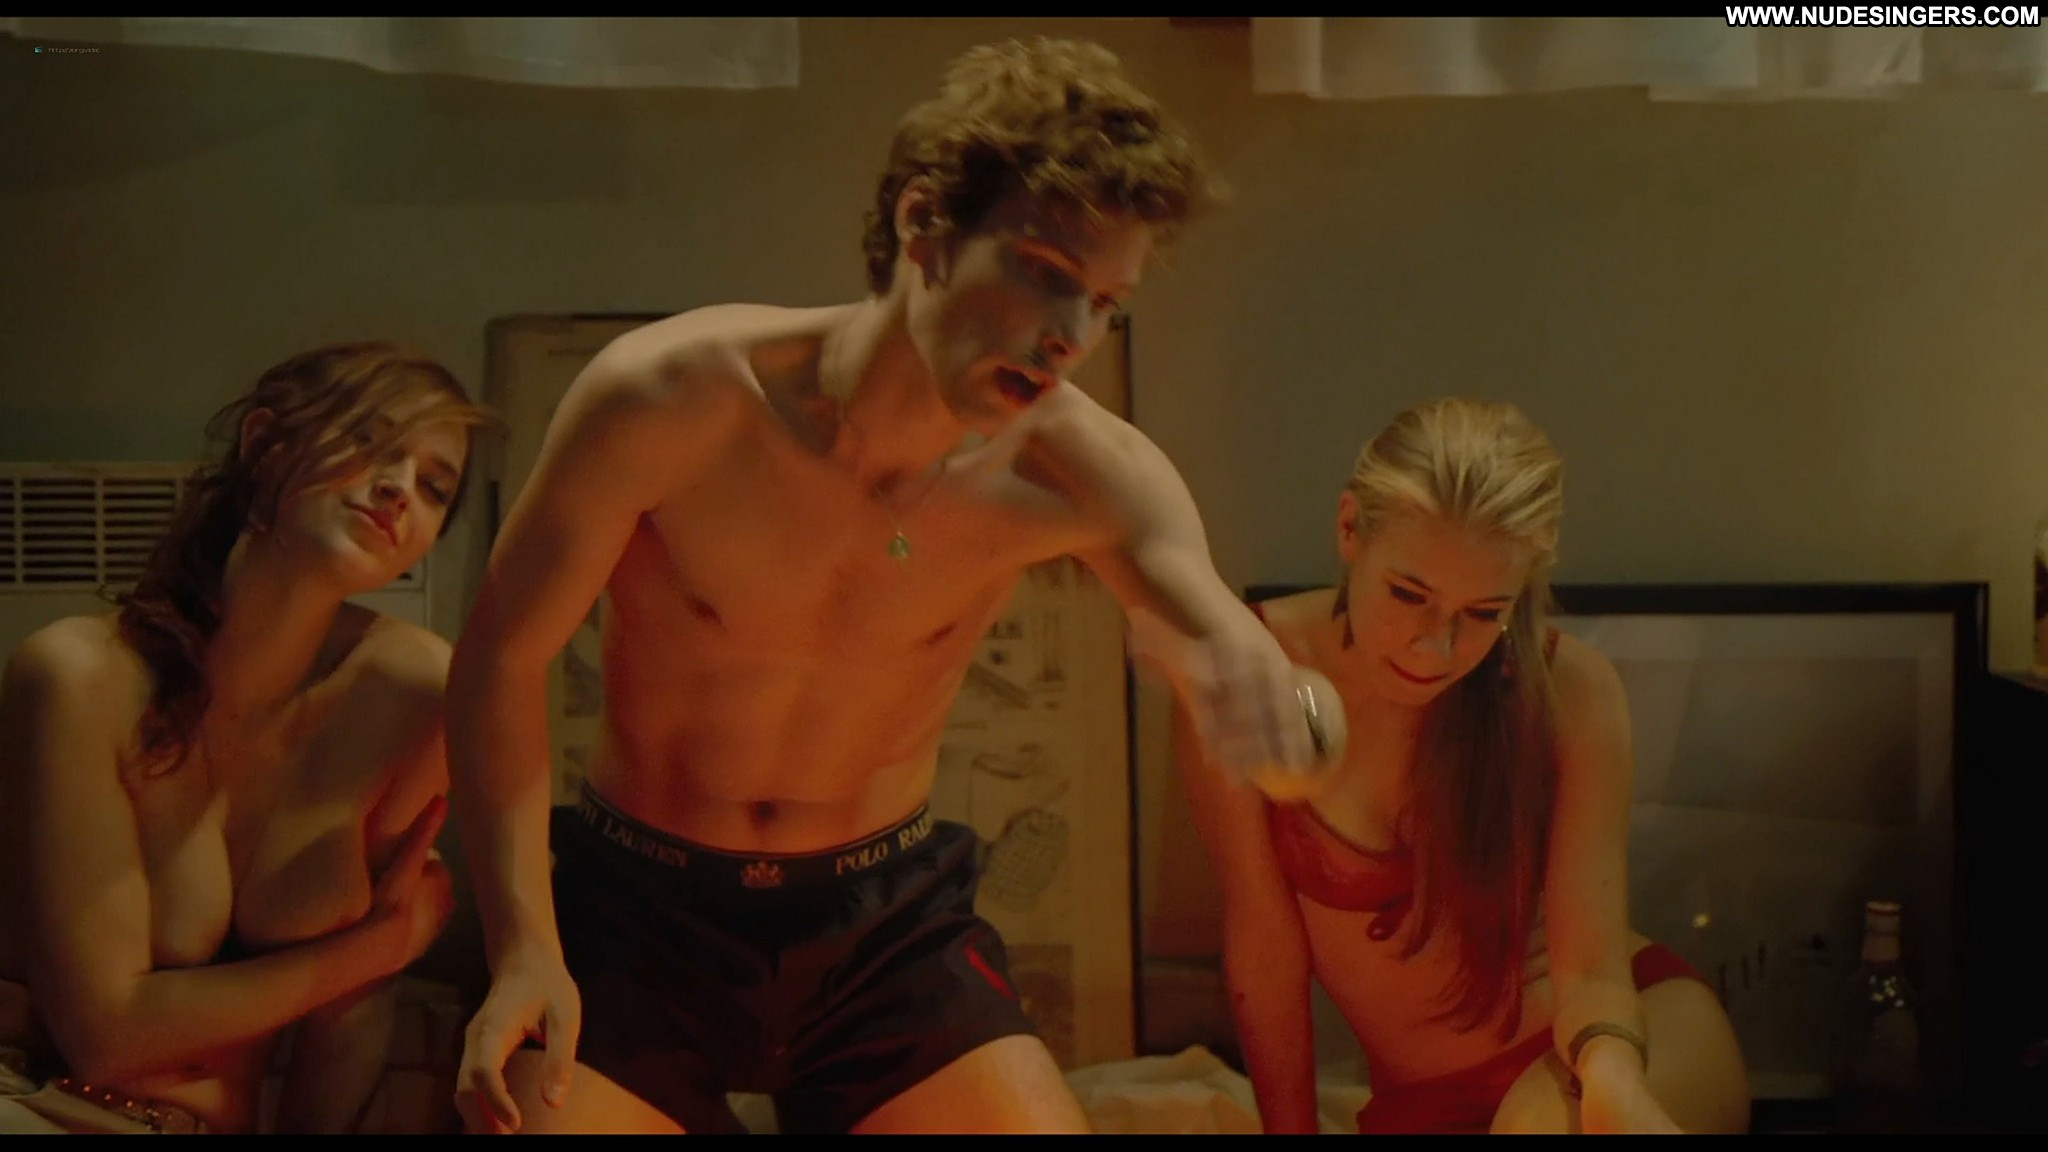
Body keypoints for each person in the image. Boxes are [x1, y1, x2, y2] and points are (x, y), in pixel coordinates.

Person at [448, 37, 1344, 1137]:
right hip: (639, 912)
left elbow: (1213, 622)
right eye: (1045, 274)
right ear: (925, 225)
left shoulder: (1084, 473)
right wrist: (523, 946)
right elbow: (498, 661)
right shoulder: (673, 398)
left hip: (880, 926)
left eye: (1104, 303)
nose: (1069, 338)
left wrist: (1271, 689)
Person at [1178, 397, 1750, 1135]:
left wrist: (1617, 1094)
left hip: (1617, 1039)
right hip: (1425, 1102)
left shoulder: (1569, 690)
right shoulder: (1249, 675)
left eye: (1483, 613)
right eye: (1408, 594)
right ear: (1349, 528)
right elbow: (1264, 942)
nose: (1435, 648)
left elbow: (1591, 966)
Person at [0, 341, 491, 1134]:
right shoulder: (78, 679)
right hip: (35, 1104)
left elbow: (350, 1020)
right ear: (264, 445)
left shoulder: (416, 694)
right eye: (367, 440)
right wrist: (377, 947)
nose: (399, 486)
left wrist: (373, 964)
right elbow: (105, 1036)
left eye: (435, 486)